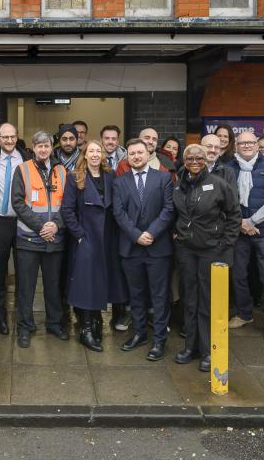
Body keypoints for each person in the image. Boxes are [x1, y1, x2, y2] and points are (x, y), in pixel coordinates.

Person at [173, 143, 241, 372]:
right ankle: (189, 347)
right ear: (184, 160)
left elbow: (234, 215)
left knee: (207, 301)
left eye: (199, 158)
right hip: (186, 250)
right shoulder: (178, 184)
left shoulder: (219, 185)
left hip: (211, 249)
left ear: (206, 160)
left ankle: (207, 350)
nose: (194, 162)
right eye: (190, 158)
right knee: (189, 299)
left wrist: (225, 244)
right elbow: (175, 212)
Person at [111, 138, 175, 360]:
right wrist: (136, 235)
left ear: (148, 153)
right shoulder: (120, 182)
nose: (136, 156)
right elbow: (118, 213)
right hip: (131, 247)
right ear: (127, 156)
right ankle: (139, 333)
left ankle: (159, 340)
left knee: (159, 296)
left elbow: (168, 209)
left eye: (140, 152)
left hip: (158, 248)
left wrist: (151, 233)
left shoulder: (164, 178)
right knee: (135, 295)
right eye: (132, 153)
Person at [61, 139, 121, 352]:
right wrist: (79, 235)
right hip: (86, 238)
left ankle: (96, 322)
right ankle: (85, 330)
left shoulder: (111, 176)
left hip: (107, 238)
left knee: (101, 281)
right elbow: (67, 210)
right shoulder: (74, 177)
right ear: (84, 154)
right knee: (85, 283)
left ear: (103, 155)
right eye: (91, 151)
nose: (95, 154)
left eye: (99, 151)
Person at [10, 130, 68, 348]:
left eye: (46, 146)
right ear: (32, 148)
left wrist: (56, 224)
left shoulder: (62, 171)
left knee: (53, 285)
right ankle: (24, 327)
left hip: (55, 238)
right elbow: (17, 202)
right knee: (26, 287)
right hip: (28, 239)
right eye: (39, 146)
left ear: (52, 147)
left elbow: (69, 204)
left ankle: (54, 324)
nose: (43, 149)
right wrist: (41, 226)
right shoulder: (22, 169)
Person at [228, 132, 264, 343]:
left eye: (251, 142)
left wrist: (251, 221)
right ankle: (244, 314)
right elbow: (227, 199)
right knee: (239, 275)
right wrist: (240, 223)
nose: (247, 146)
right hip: (238, 231)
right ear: (237, 146)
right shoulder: (229, 168)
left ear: (257, 145)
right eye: (242, 143)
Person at [0, 122, 31, 335]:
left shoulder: (27, 159)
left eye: (13, 136)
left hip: (23, 222)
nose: (9, 140)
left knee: (24, 273)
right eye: (5, 137)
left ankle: (25, 318)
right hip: (0, 222)